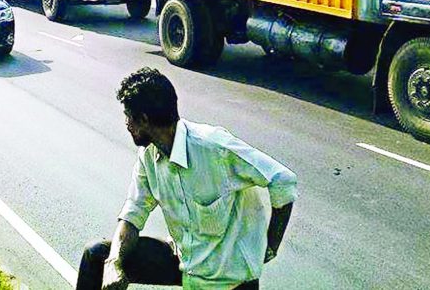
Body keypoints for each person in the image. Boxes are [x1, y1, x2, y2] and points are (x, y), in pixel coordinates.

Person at [77, 67, 297, 290]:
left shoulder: (214, 147)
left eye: (128, 116)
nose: (126, 124)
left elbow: (283, 180)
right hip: (185, 262)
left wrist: (270, 247)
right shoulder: (149, 155)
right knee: (96, 255)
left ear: (143, 119)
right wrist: (114, 263)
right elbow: (133, 214)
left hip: (227, 280)